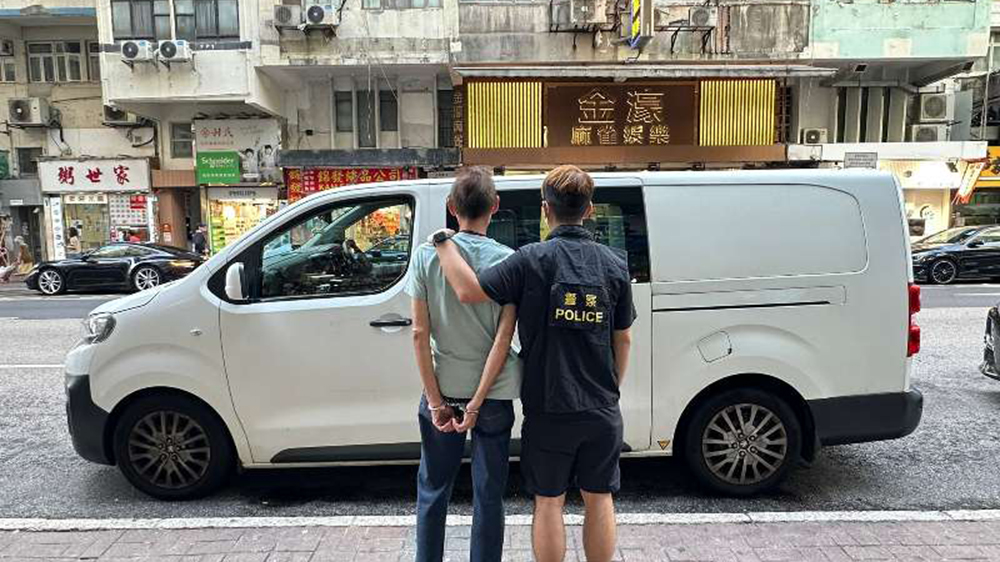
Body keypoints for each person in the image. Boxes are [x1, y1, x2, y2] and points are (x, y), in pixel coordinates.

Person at [432, 165, 636, 562]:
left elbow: (468, 291)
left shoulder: (530, 260)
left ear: (545, 210)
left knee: (548, 501)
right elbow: (623, 338)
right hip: (601, 407)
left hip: (548, 405)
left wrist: (443, 241)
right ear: (589, 210)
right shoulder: (614, 264)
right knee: (599, 498)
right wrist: (611, 388)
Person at [406, 166, 522, 562]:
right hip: (494, 395)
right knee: (489, 494)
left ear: (451, 207)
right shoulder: (509, 261)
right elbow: (504, 340)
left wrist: (436, 401)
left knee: (432, 487)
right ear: (495, 206)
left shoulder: (426, 257)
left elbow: (419, 334)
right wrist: (476, 402)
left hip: (443, 387)